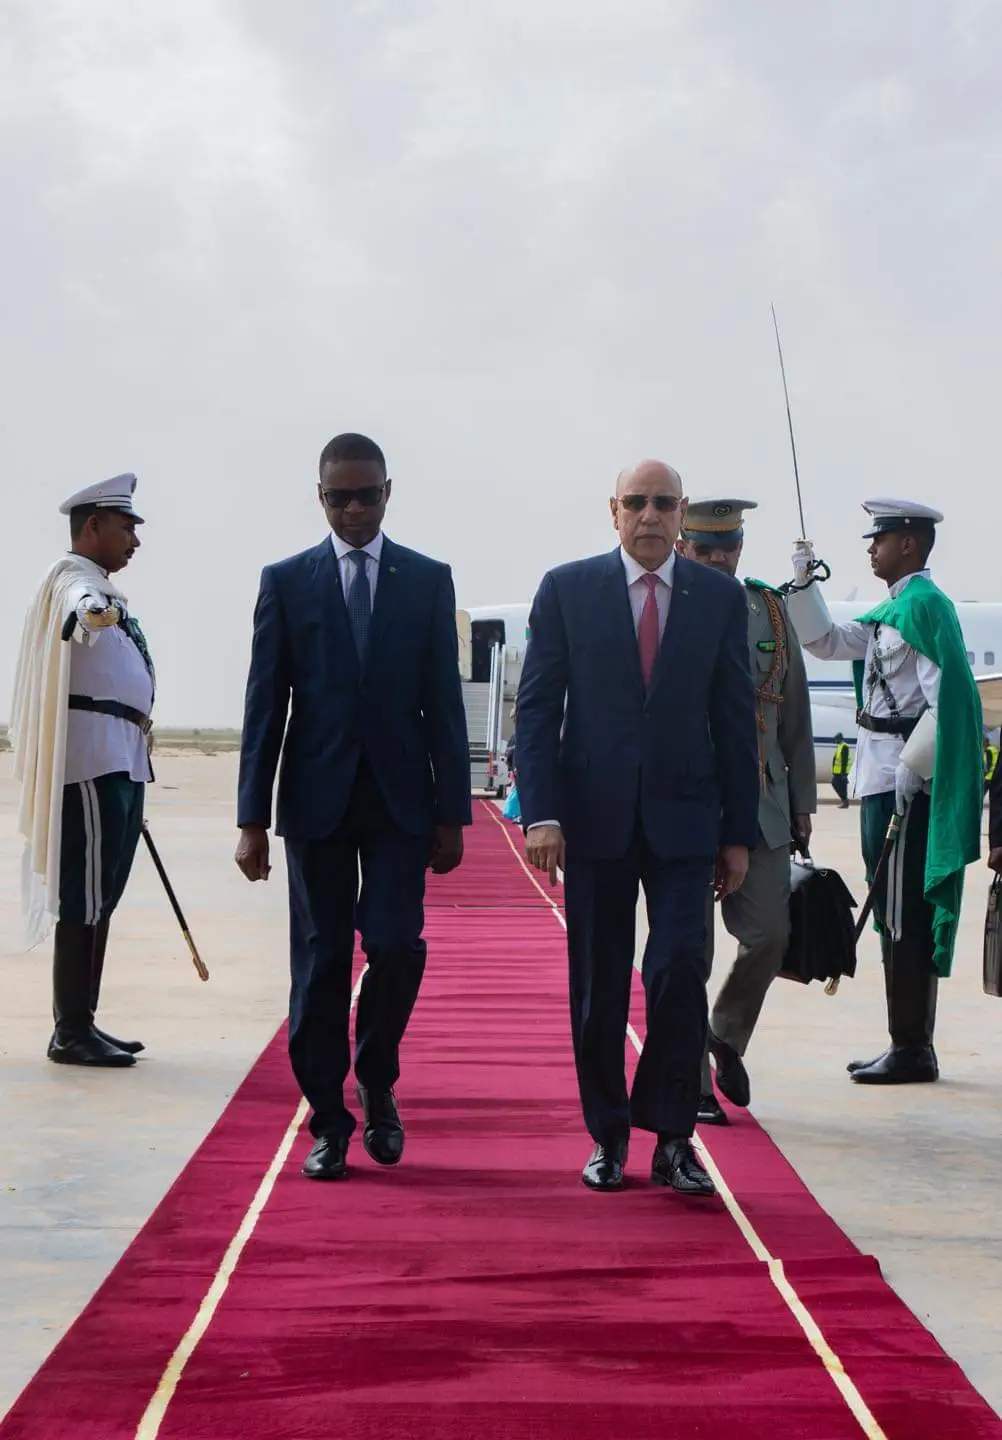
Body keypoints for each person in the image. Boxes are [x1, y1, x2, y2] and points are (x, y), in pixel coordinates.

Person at [516, 460, 759, 1197]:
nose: (650, 515)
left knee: (680, 971)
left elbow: (734, 719)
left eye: (663, 503)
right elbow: (538, 709)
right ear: (614, 510)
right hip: (594, 822)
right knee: (598, 985)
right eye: (636, 502)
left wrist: (738, 833)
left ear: (682, 512)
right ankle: (609, 1135)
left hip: (687, 823)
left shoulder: (719, 599)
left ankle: (673, 1136)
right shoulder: (567, 590)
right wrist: (542, 813)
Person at [235, 433, 472, 1181]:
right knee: (321, 962)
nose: (355, 510)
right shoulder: (286, 582)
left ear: (387, 493)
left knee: (396, 945)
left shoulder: (427, 581)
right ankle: (328, 1122)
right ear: (321, 497)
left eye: (367, 495)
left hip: (401, 803)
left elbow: (444, 703)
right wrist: (250, 820)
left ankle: (376, 1077)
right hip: (316, 803)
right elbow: (265, 705)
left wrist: (453, 813)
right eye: (340, 497)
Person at [786, 499, 982, 1083]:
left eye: (881, 538)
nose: (871, 548)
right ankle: (905, 1042)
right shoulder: (893, 610)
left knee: (905, 911)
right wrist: (804, 583)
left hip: (905, 782)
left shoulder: (925, 608)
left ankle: (912, 1048)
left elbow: (945, 701)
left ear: (909, 544)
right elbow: (824, 641)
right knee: (892, 911)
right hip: (878, 776)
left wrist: (913, 771)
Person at [677, 499, 816, 1125]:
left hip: (761, 803)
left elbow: (795, 715)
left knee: (769, 936)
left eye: (727, 546)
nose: (717, 558)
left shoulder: (770, 612)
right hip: (687, 802)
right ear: (683, 547)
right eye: (704, 548)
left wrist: (803, 803)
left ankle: (725, 1035)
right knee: (690, 952)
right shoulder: (667, 606)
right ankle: (692, 1085)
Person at [9, 475, 153, 1068]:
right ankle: (69, 1030)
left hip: (121, 758)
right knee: (84, 897)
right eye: (126, 528)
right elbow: (81, 611)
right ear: (92, 526)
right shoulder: (76, 582)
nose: (135, 541)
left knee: (102, 896)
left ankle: (84, 1020)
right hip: (92, 763)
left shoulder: (99, 585)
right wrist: (96, 612)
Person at [831, 733, 851, 808]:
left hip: (842, 772)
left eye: (836, 739)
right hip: (837, 772)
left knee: (841, 787)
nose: (835, 741)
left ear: (840, 739)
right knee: (835, 784)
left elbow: (844, 760)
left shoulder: (844, 746)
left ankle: (845, 802)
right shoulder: (839, 746)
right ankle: (845, 801)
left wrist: (843, 773)